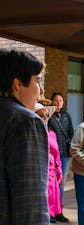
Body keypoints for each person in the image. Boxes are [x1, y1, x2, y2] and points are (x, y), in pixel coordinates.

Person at [0, 48, 50, 225]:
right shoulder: (25, 122)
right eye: (37, 81)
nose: (41, 90)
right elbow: (31, 205)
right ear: (17, 84)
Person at [34, 102, 63, 223]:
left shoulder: (52, 134)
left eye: (46, 115)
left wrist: (59, 171)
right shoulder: (33, 133)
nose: (45, 118)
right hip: (40, 176)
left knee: (52, 202)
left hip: (52, 175)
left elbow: (57, 156)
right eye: (41, 116)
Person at [48, 92, 73, 223]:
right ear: (51, 102)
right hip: (52, 156)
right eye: (56, 101)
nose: (58, 103)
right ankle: (50, 212)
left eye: (61, 101)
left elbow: (71, 133)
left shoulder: (66, 116)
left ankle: (59, 211)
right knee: (51, 184)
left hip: (64, 155)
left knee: (60, 183)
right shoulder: (49, 116)